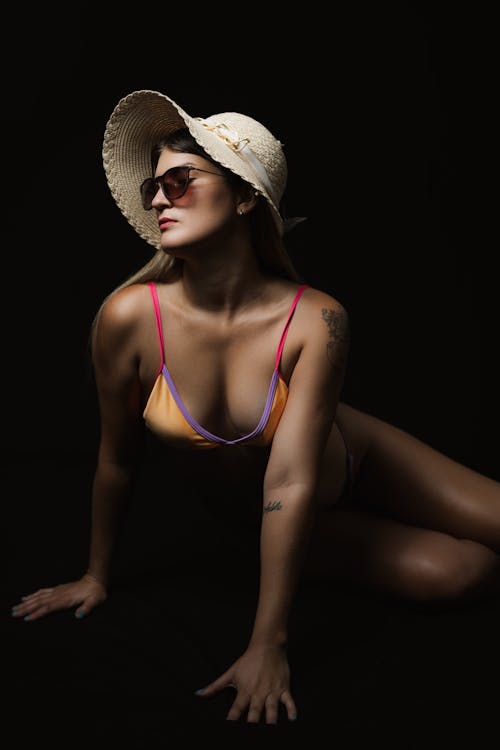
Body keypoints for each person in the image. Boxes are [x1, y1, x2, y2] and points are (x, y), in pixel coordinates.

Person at [11, 89, 500, 726]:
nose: (159, 198)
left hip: (351, 455)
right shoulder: (129, 318)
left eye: (180, 181)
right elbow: (117, 459)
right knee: (464, 574)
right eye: (153, 187)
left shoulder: (316, 318)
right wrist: (96, 575)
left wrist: (268, 643)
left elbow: (294, 476)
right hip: (261, 516)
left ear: (244, 197)